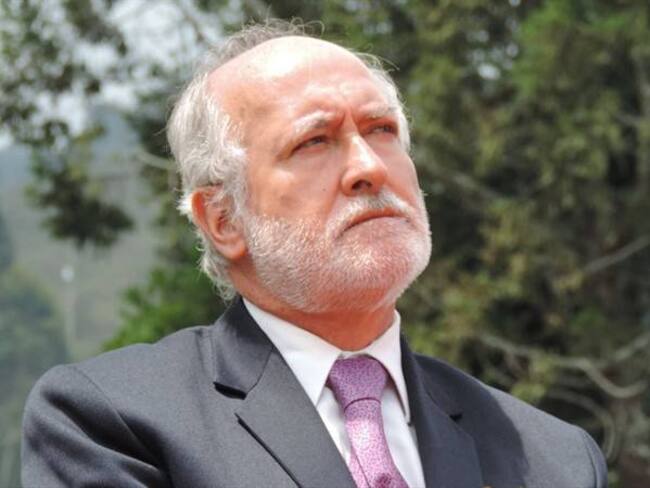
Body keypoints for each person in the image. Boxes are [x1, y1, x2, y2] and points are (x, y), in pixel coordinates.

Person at [22, 21, 607, 488]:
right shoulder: (112, 422)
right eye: (314, 141)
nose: (369, 167)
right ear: (223, 219)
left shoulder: (552, 458)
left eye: (381, 130)